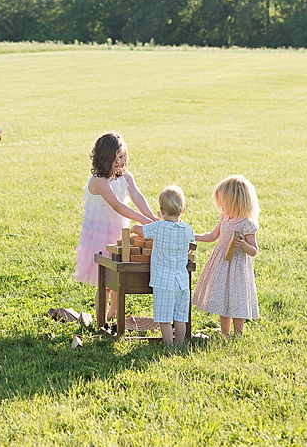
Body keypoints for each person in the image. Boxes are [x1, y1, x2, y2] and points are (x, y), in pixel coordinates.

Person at [73, 132, 155, 327]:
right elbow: (117, 205)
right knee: (105, 282)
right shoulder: (98, 181)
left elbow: (137, 197)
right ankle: (101, 319)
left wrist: (152, 218)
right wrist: (141, 219)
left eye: (121, 157)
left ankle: (114, 313)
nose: (118, 162)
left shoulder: (126, 177)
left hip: (119, 232)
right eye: (113, 158)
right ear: (103, 158)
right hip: (99, 236)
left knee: (121, 276)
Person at [191, 174, 260, 337]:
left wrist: (243, 244)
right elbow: (212, 235)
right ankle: (225, 333)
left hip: (237, 266)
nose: (220, 205)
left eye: (223, 202)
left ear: (234, 202)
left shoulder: (246, 224)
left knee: (236, 299)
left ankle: (238, 334)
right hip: (222, 263)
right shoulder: (225, 218)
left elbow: (254, 250)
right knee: (223, 297)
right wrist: (194, 236)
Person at [141, 185, 195, 346]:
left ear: (161, 210)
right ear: (183, 210)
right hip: (182, 281)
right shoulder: (187, 229)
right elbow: (190, 239)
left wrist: (134, 229)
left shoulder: (157, 227)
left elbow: (141, 230)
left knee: (164, 318)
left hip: (163, 281)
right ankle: (179, 344)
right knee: (180, 317)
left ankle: (168, 345)